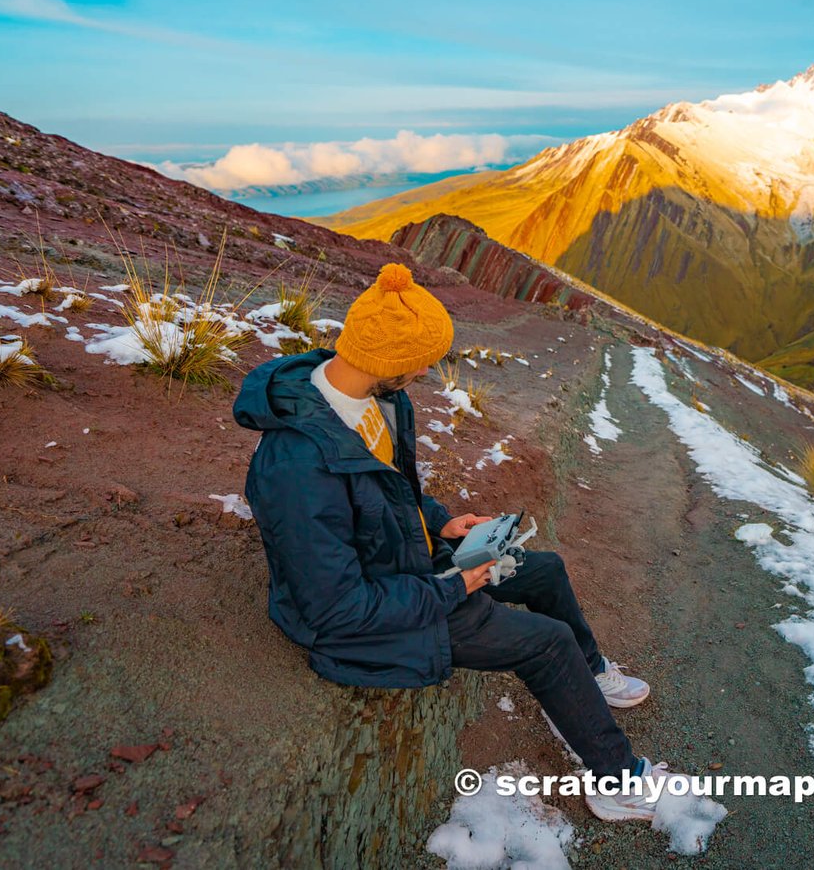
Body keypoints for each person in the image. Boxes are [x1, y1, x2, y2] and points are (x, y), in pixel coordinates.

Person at [233, 262, 671, 821]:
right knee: (548, 641)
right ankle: (618, 779)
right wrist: (452, 587)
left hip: (410, 564)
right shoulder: (296, 468)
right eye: (420, 365)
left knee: (546, 569)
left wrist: (440, 522)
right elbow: (336, 609)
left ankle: (590, 677)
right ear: (392, 364)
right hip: (373, 614)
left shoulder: (373, 400)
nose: (423, 375)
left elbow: (389, 492)